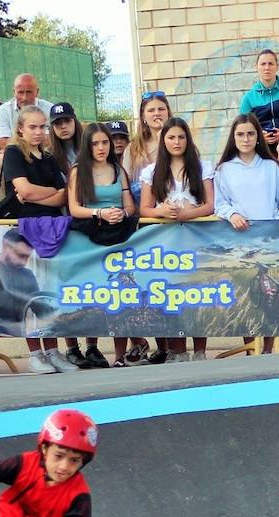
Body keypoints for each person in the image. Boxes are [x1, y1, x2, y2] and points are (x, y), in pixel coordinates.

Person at [0, 107, 75, 375]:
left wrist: (44, 194)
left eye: (43, 127)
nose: (39, 132)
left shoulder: (50, 157)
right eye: (33, 127)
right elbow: (24, 189)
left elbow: (63, 195)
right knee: (27, 292)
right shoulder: (14, 153)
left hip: (52, 230)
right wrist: (49, 192)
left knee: (49, 292)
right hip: (23, 230)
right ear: (20, 128)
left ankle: (53, 350)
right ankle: (35, 353)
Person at [214, 114, 279, 354]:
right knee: (248, 297)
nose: (246, 138)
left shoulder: (272, 168)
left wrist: (274, 225)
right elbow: (219, 203)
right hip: (240, 243)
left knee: (270, 295)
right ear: (233, 137)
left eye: (250, 133)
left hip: (271, 243)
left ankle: (270, 348)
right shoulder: (224, 170)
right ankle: (251, 348)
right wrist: (232, 215)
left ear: (257, 136)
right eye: (240, 134)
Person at [140, 117, 215, 361]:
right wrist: (162, 211)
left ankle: (200, 349)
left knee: (197, 293)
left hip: (195, 238)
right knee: (172, 294)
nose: (176, 142)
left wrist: (187, 214)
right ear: (164, 140)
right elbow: (144, 209)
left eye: (181, 137)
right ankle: (178, 349)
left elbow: (210, 204)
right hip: (166, 242)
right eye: (171, 137)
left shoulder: (203, 167)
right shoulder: (152, 172)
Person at [68, 122, 139, 368]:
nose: (101, 148)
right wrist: (100, 213)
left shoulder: (119, 170)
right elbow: (74, 207)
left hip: (117, 234)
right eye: (95, 143)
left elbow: (130, 204)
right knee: (89, 293)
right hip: (88, 236)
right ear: (87, 145)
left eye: (105, 142)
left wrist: (122, 213)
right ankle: (88, 347)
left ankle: (119, 355)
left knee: (118, 292)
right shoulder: (78, 171)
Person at [121, 90, 172, 365]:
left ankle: (169, 346)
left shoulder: (177, 140)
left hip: (172, 221)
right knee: (141, 285)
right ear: (143, 115)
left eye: (161, 109)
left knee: (167, 283)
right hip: (143, 221)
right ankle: (140, 342)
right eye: (151, 110)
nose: (156, 114)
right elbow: (126, 184)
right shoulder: (133, 148)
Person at [238, 49, 279, 181]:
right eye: (263, 64)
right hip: (260, 144)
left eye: (270, 63)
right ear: (257, 67)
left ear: (277, 67)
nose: (267, 67)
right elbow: (242, 129)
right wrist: (259, 137)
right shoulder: (249, 98)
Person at [0, 228, 41, 337]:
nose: (24, 262)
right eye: (21, 255)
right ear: (6, 246)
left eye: (27, 257)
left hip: (17, 334)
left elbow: (42, 310)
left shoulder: (28, 275)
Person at [0, 74, 53, 153]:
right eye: (20, 92)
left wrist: (16, 140)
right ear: (14, 92)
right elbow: (3, 143)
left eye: (29, 92)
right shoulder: (3, 111)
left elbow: (54, 141)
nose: (24, 98)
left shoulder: (50, 109)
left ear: (37, 92)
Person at [48, 102, 84, 170]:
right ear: (52, 128)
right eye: (57, 123)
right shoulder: (48, 156)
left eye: (67, 121)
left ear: (75, 122)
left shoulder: (90, 148)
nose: (63, 126)